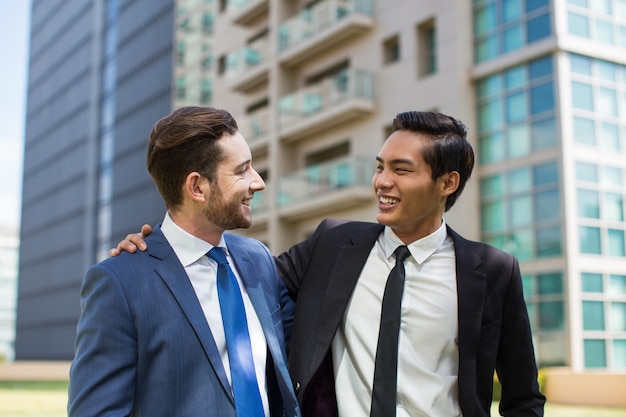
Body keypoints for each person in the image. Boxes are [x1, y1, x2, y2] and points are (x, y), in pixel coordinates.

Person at [113, 111, 545, 417]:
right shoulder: (332, 245)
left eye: (401, 169)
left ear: (447, 183)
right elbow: (230, 279)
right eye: (380, 167)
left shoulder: (493, 272)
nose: (382, 182)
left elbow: (523, 399)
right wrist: (158, 248)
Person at [68, 106, 300, 417]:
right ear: (196, 187)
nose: (257, 182)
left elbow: (306, 340)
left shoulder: (258, 258)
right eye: (242, 170)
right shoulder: (119, 284)